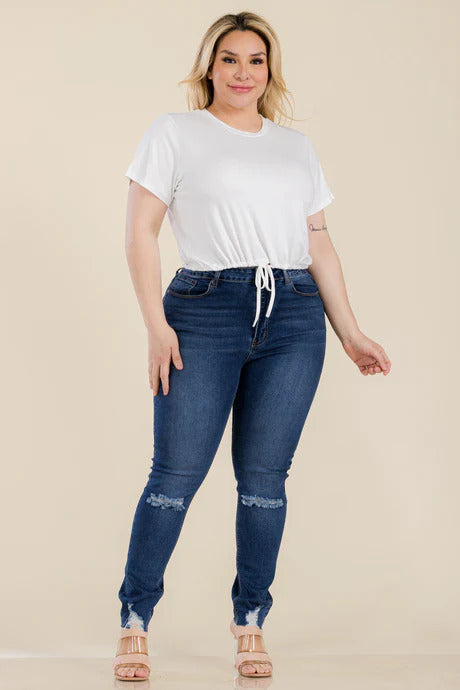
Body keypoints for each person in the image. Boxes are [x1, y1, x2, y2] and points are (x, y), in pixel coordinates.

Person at [112, 10, 392, 682]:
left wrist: (349, 331)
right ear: (210, 66)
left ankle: (250, 621)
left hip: (294, 315)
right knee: (175, 476)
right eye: (230, 59)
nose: (243, 73)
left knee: (265, 482)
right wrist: (156, 326)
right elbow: (141, 232)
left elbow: (318, 242)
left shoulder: (295, 148)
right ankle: (134, 619)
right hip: (204, 310)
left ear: (271, 70)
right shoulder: (175, 133)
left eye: (256, 60)